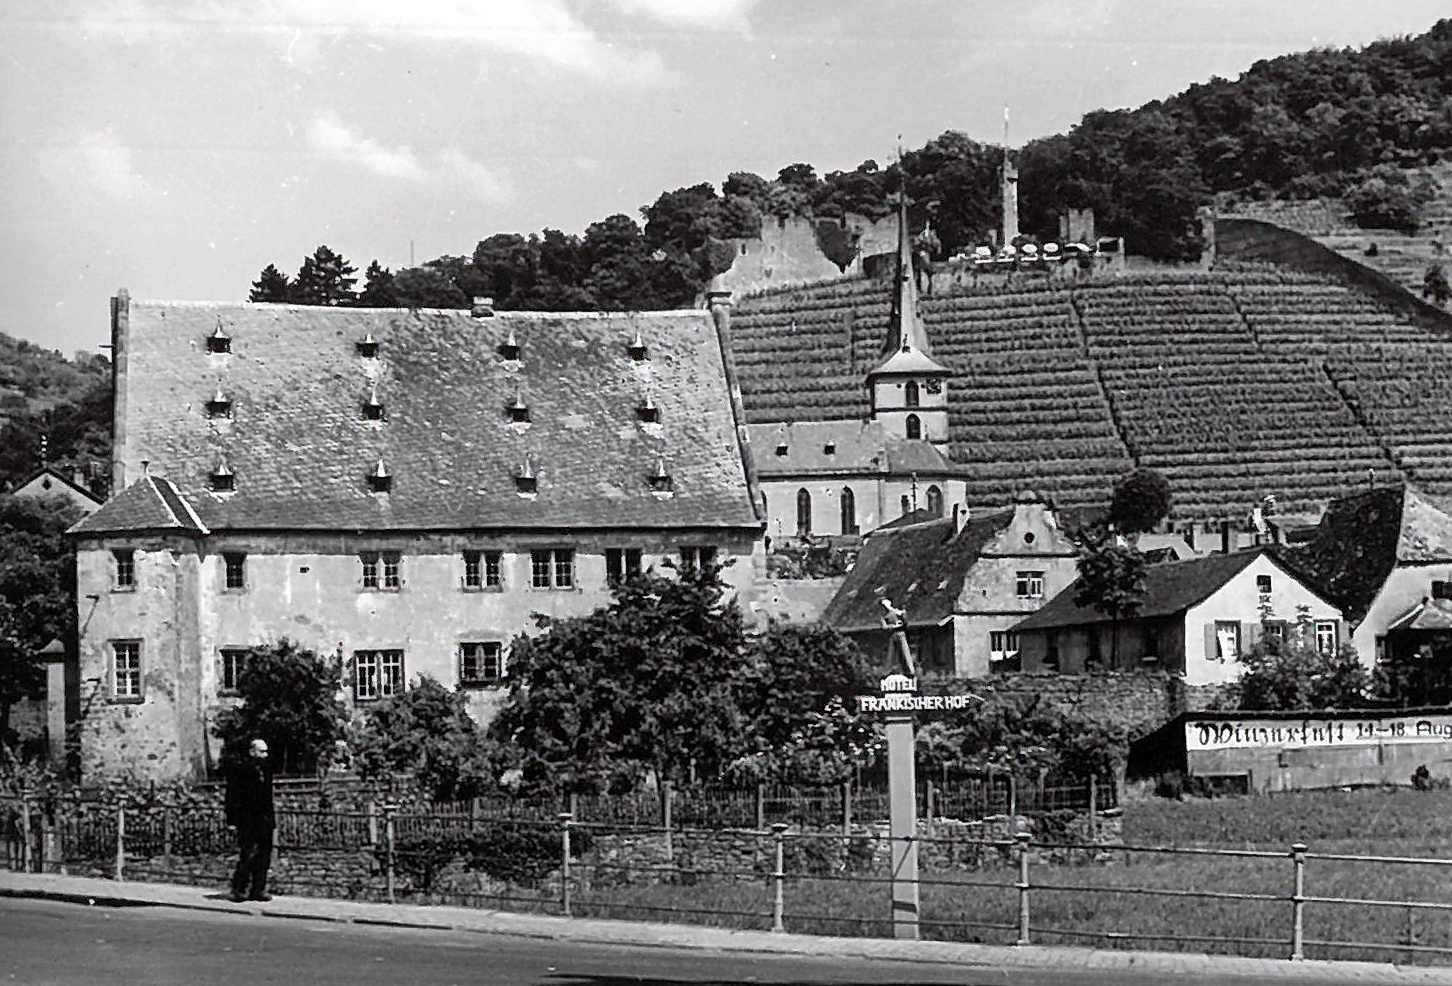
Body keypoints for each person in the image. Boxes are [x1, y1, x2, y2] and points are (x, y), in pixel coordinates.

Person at [225, 737, 275, 902]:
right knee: (248, 854)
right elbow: (232, 796)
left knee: (264, 855)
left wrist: (271, 819)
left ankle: (258, 889)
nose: (265, 755)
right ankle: (240, 888)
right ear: (252, 751)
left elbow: (268, 797)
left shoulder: (266, 770)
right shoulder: (240, 769)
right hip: (247, 819)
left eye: (266, 752)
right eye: (261, 751)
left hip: (264, 819)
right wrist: (232, 820)